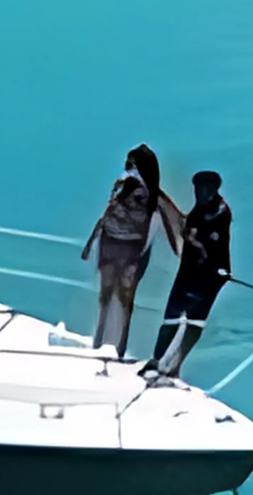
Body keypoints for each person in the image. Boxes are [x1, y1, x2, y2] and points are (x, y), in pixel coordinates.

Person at [82, 144, 183, 358]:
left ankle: (119, 348)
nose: (129, 168)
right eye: (128, 164)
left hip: (131, 249)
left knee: (124, 297)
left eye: (133, 164)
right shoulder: (120, 186)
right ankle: (99, 342)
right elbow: (106, 215)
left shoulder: (149, 194)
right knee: (105, 295)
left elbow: (166, 219)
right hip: (109, 244)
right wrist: (91, 243)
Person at [148, 171, 230, 379]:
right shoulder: (198, 210)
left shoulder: (220, 212)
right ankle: (156, 360)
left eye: (205, 190)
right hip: (188, 271)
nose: (200, 193)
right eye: (198, 189)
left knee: (194, 322)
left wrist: (220, 269)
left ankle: (174, 365)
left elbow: (215, 244)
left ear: (213, 190)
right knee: (171, 317)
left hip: (210, 276)